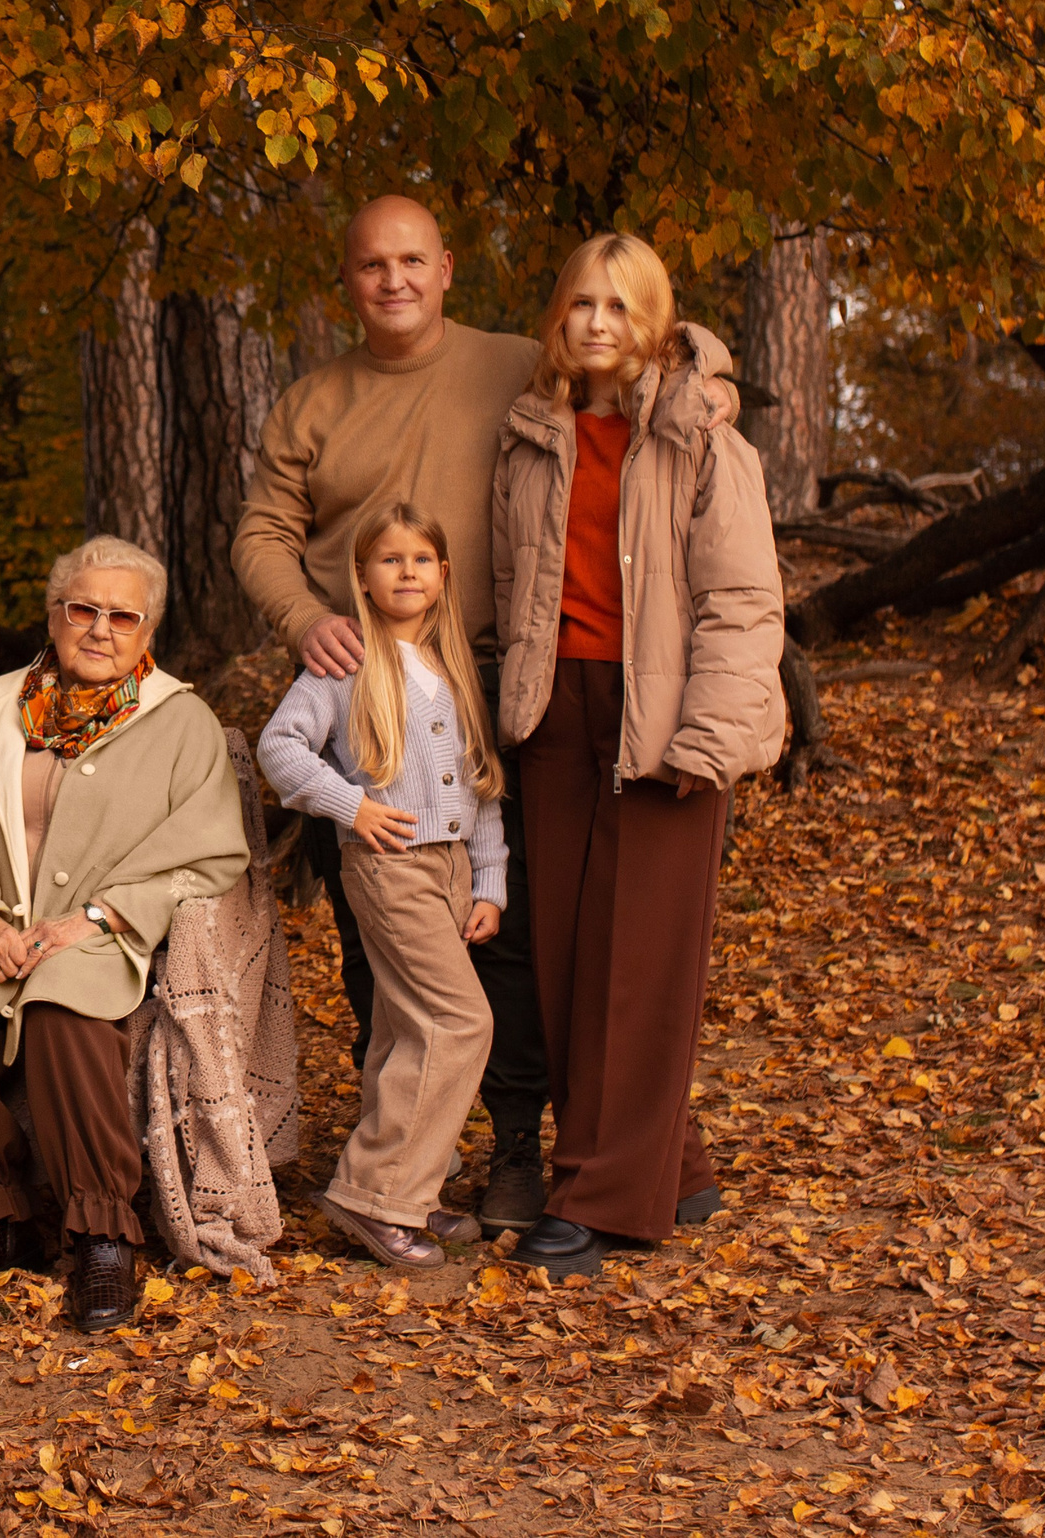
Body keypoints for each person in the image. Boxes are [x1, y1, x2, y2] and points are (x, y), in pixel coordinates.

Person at [229, 195, 552, 1232]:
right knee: (376, 941)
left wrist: (714, 385)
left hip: (487, 670)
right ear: (348, 280)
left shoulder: (512, 363)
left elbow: (624, 365)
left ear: (448, 266)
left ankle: (510, 1148)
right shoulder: (312, 401)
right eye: (372, 264)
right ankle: (397, 1166)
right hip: (357, 685)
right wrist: (301, 618)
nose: (394, 280)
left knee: (496, 924)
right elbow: (262, 534)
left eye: (412, 259)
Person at [0, 536, 249, 1330]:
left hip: (100, 928)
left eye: (122, 616)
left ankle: (103, 1231)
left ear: (149, 633)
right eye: (84, 609)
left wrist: (105, 917)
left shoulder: (182, 723)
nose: (100, 629)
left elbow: (212, 850)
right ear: (53, 615)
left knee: (63, 1010)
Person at [491, 233, 783, 1278]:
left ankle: (599, 1197)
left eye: (620, 306)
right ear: (557, 321)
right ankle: (679, 1167)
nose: (597, 323)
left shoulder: (703, 441)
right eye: (579, 304)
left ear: (655, 322)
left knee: (641, 963)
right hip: (556, 714)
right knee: (572, 964)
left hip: (663, 711)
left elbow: (743, 601)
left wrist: (708, 736)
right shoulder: (531, 438)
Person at [258, 505, 508, 1268]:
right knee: (457, 1023)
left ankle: (416, 1191)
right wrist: (352, 805)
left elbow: (484, 788)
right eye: (390, 560)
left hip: (452, 870)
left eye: (422, 559)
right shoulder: (344, 665)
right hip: (389, 865)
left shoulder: (453, 666)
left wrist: (490, 884)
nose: (407, 572)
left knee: (407, 1030)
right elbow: (280, 746)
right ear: (362, 577)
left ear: (442, 575)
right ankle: (375, 1194)